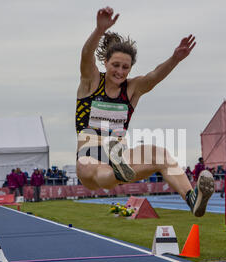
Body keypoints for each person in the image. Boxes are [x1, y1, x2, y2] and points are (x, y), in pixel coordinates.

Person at [75, 7, 214, 217]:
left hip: (118, 155)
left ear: (130, 68)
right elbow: (86, 56)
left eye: (125, 67)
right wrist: (98, 30)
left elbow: (154, 76)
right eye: (115, 65)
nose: (120, 72)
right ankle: (116, 169)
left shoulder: (131, 90)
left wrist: (175, 58)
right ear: (105, 63)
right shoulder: (91, 82)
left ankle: (192, 198)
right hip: (90, 156)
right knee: (94, 167)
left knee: (161, 155)